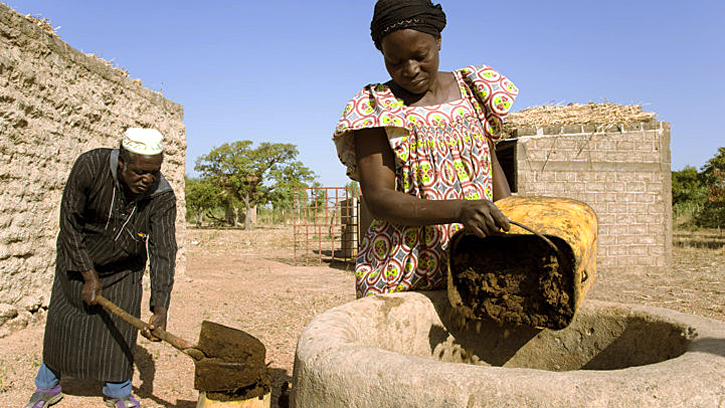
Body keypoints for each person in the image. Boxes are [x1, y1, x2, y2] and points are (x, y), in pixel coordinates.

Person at [333, 0, 518, 298]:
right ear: (382, 54)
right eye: (395, 62)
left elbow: (491, 166)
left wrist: (512, 230)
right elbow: (378, 199)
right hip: (404, 269)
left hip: (476, 260)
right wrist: (459, 210)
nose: (410, 70)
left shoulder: (474, 90)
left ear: (439, 41)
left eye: (421, 56)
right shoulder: (374, 108)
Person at [25, 129, 178, 408]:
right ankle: (47, 387)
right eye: (140, 172)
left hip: (125, 268)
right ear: (122, 162)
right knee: (64, 322)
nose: (148, 179)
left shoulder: (162, 196)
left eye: (154, 172)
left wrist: (160, 307)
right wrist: (88, 274)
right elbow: (69, 221)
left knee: (120, 330)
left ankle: (118, 391)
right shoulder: (90, 167)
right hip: (78, 255)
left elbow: (163, 251)